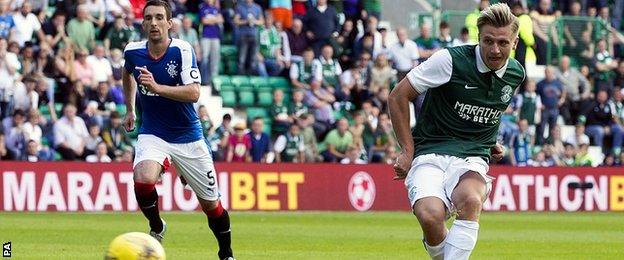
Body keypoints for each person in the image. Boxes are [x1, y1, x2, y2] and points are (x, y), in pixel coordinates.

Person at [388, 4, 523, 259]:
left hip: (471, 157)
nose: (495, 49)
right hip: (430, 151)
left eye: (503, 42)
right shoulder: (449, 60)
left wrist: (490, 140)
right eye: (488, 41)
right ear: (478, 38)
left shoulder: (515, 73)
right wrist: (407, 150)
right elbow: (398, 96)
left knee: (471, 201)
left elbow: (489, 106)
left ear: (515, 42)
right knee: (430, 216)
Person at [121, 1, 233, 259]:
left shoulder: (182, 50)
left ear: (170, 23)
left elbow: (194, 92)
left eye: (160, 18)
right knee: (143, 179)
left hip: (188, 137)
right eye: (148, 18)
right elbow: (126, 73)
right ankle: (157, 226)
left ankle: (226, 252)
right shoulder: (133, 51)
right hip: (153, 131)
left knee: (211, 206)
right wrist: (130, 109)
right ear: (143, 23)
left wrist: (157, 87)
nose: (154, 23)